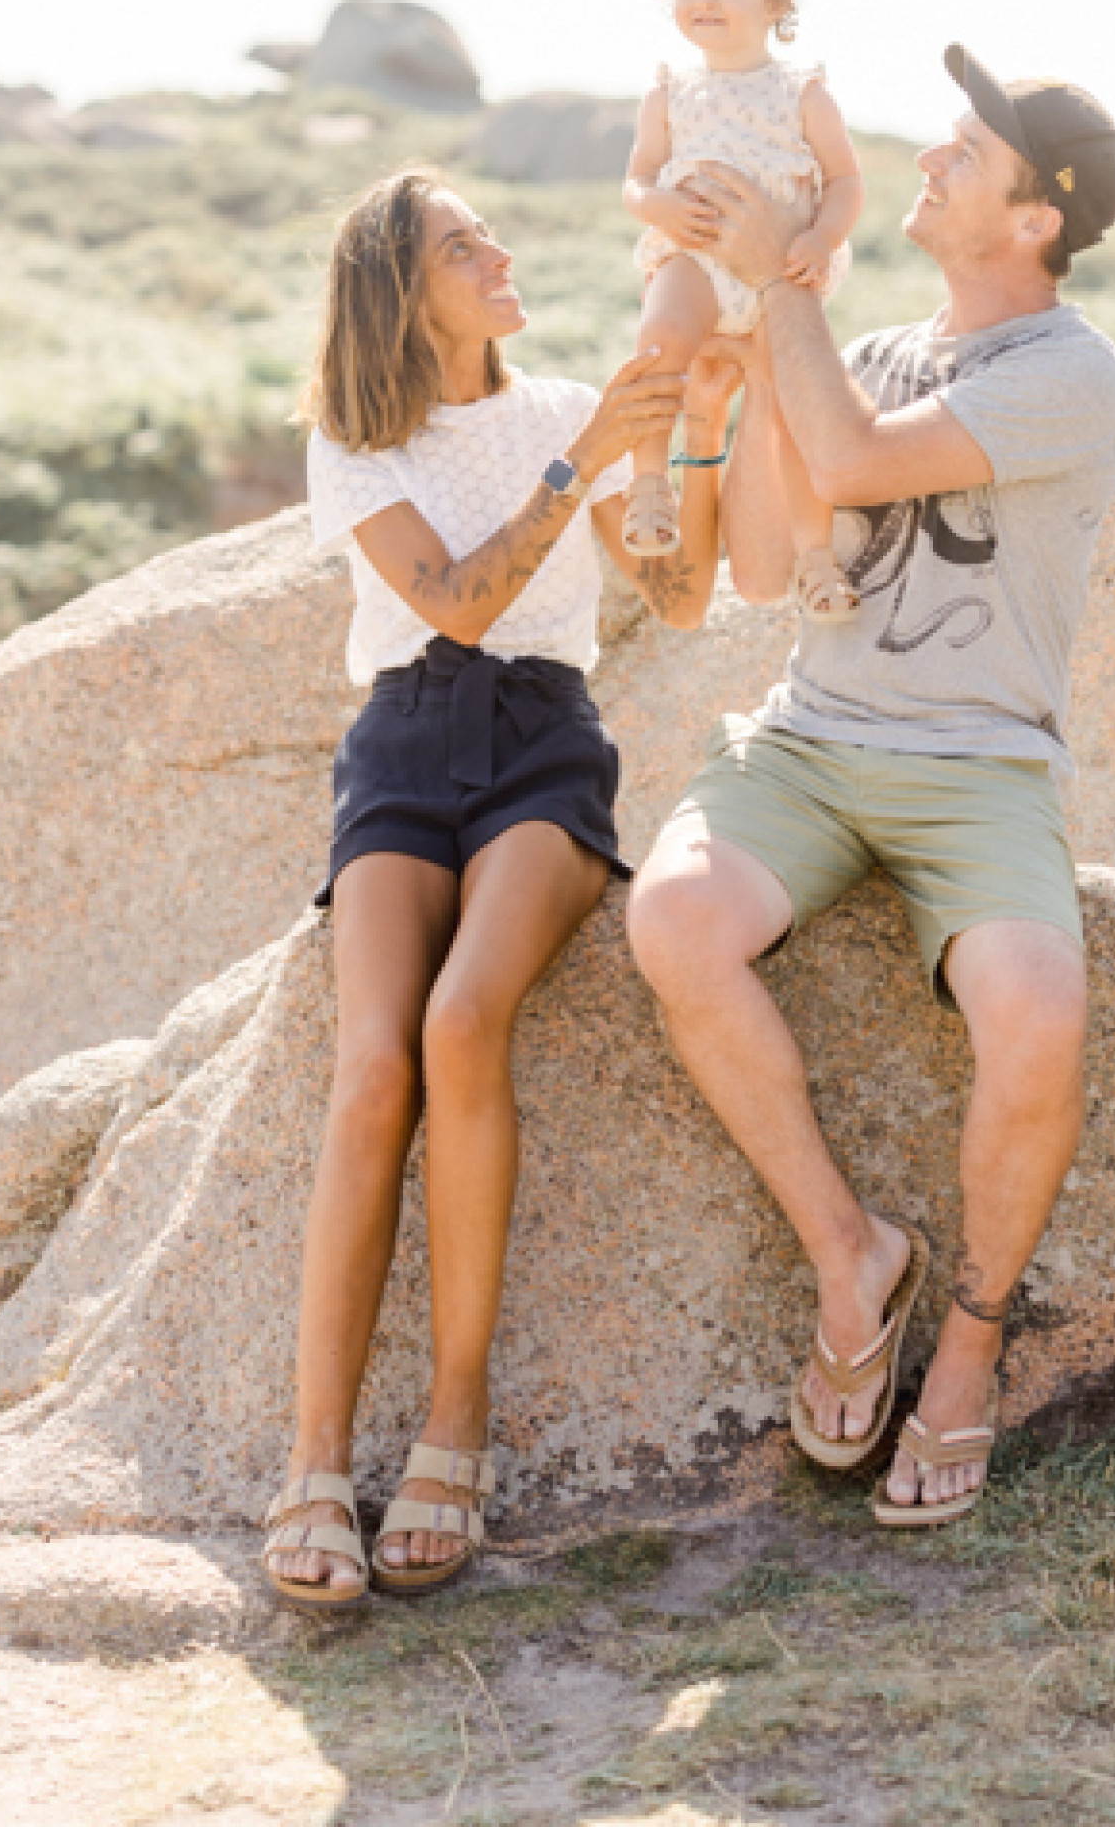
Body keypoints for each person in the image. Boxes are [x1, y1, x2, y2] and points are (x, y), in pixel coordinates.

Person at [627, 46, 1115, 1530]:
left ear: (1035, 217)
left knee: (1038, 1010)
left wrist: (780, 280)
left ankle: (967, 1351)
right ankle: (854, 1257)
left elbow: (854, 462)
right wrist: (735, 379)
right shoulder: (878, 353)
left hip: (980, 762)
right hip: (813, 739)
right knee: (674, 922)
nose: (930, 154)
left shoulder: (1068, 374)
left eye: (967, 151)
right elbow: (774, 566)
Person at [264, 165, 737, 1609]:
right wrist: (583, 451)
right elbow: (456, 600)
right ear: (405, 290)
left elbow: (674, 596)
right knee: (368, 1071)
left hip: (543, 744)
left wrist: (692, 450)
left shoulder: (566, 410)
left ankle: (453, 1422)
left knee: (465, 1026)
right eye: (465, 245)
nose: (501, 251)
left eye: (488, 231)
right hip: (404, 741)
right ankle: (310, 1460)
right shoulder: (358, 443)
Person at [622, 0, 864, 620]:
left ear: (777, 3)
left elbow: (846, 180)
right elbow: (637, 178)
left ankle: (815, 558)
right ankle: (648, 484)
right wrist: (655, 206)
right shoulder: (668, 92)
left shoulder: (803, 91)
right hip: (692, 255)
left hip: (780, 270)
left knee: (788, 411)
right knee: (659, 341)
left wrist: (820, 237)